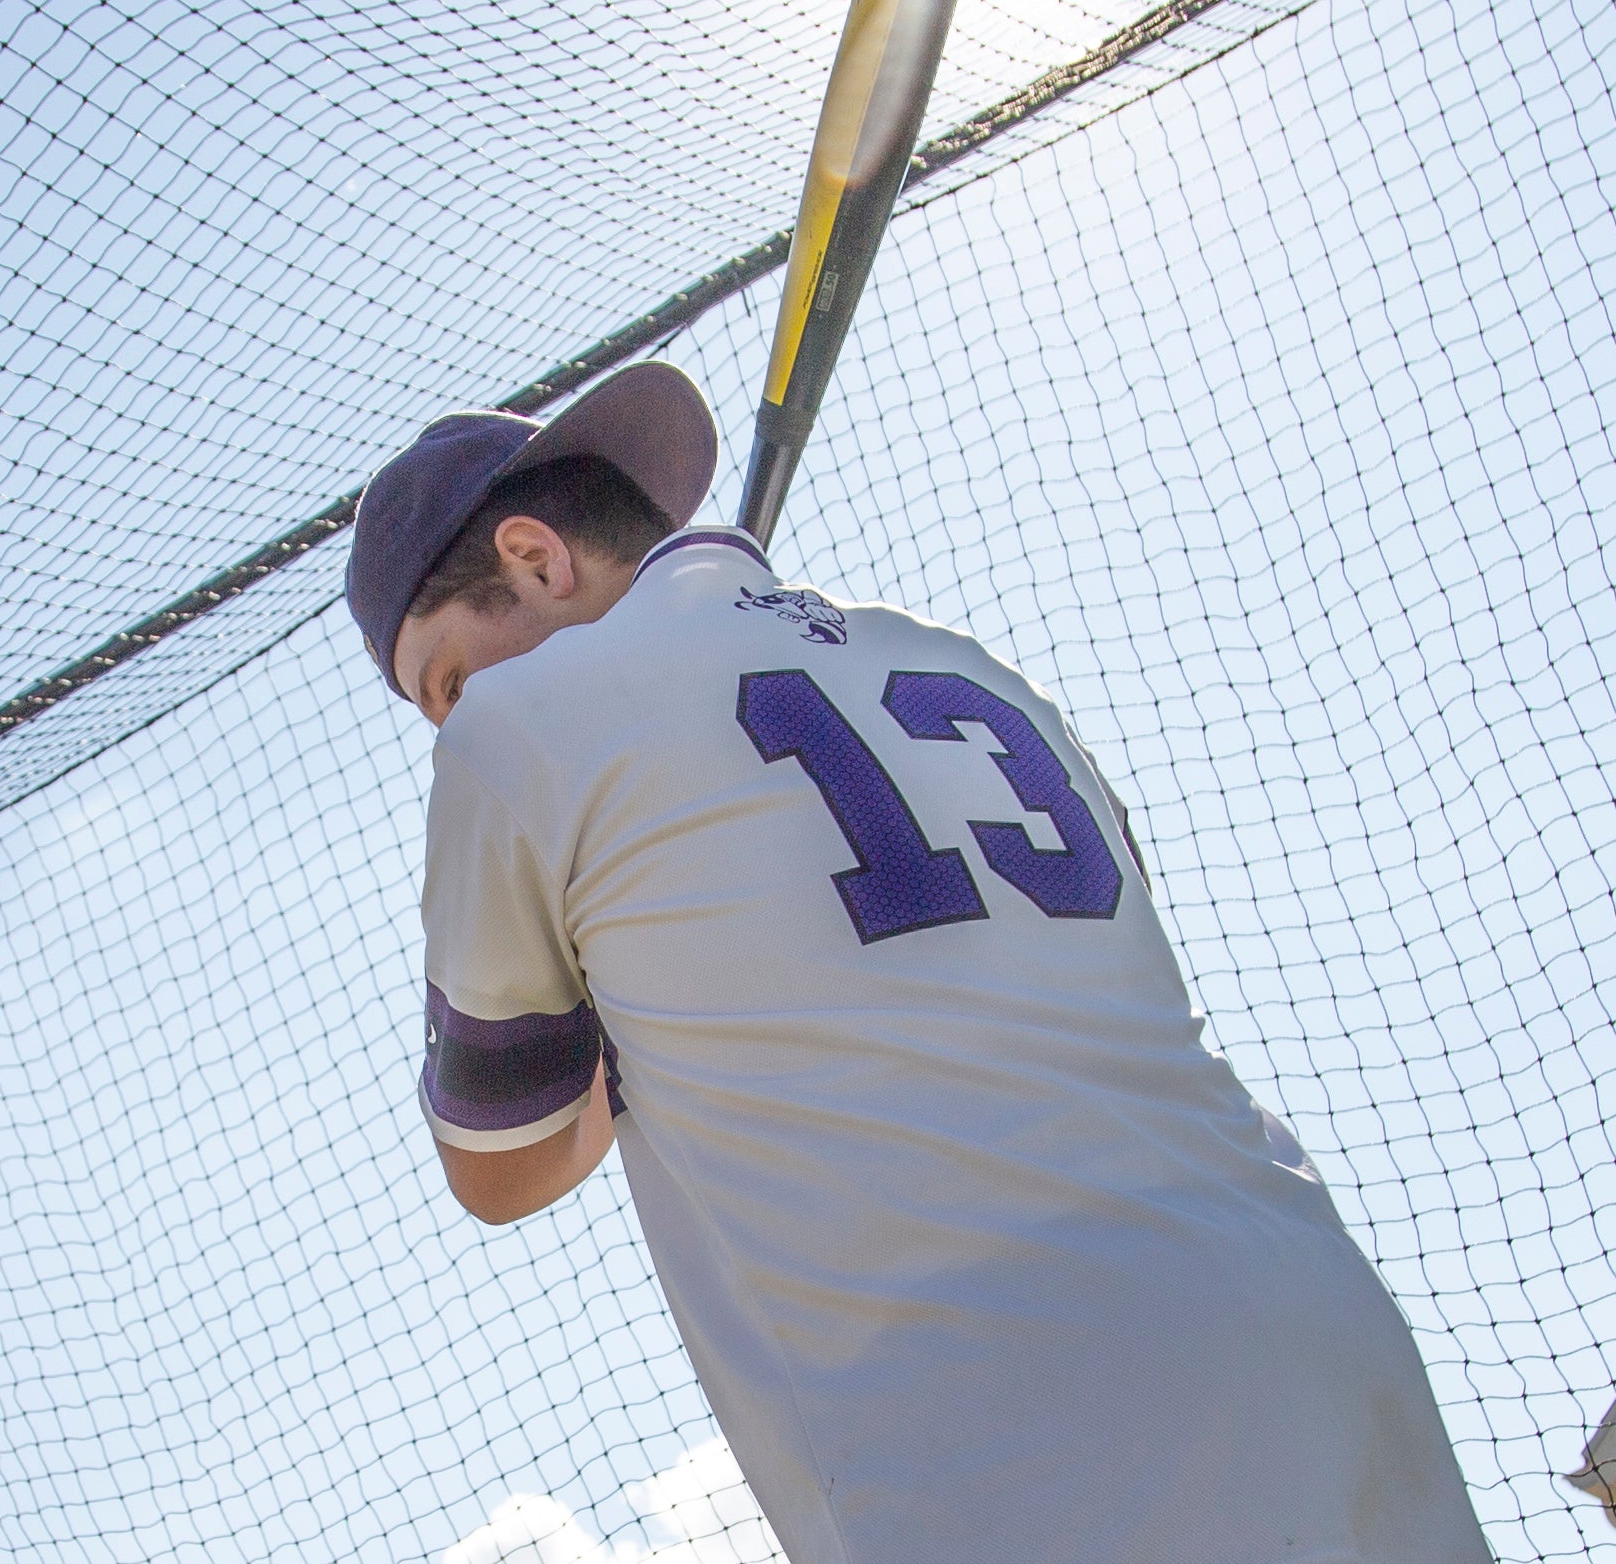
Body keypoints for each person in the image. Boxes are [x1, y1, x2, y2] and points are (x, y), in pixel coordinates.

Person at [358, 360, 1487, 1564]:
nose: (456, 714)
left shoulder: (510, 731)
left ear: (534, 559)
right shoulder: (973, 667)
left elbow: (501, 1169)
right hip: (1314, 1315)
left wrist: (617, 1029)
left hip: (1007, 1412)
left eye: (447, 678)